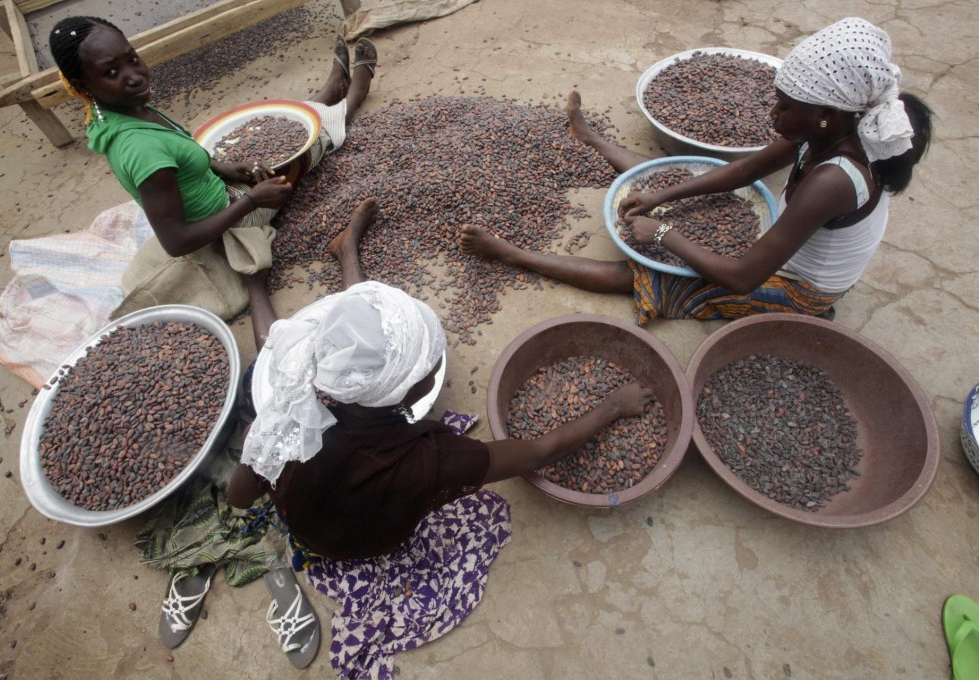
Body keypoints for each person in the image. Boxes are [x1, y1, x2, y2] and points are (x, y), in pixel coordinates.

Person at [226, 197, 654, 559]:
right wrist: (615, 405)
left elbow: (239, 497)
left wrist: (256, 288)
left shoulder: (291, 403)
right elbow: (536, 452)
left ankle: (345, 253)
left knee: (359, 329)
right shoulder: (426, 460)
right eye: (432, 363)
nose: (437, 364)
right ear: (407, 393)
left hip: (304, 526)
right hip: (359, 544)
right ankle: (346, 253)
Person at [458, 17, 933, 325]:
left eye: (784, 107)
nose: (773, 116)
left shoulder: (835, 178)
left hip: (799, 287)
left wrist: (662, 232)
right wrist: (663, 198)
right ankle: (595, 139)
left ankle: (512, 254)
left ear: (826, 113)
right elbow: (745, 169)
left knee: (649, 276)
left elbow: (744, 276)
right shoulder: (829, 130)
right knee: (671, 179)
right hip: (781, 240)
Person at [48, 17, 378, 320]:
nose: (133, 76)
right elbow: (176, 242)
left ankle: (325, 95)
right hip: (226, 221)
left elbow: (179, 155)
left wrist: (225, 167)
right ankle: (348, 103)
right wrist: (253, 201)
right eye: (111, 72)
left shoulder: (119, 108)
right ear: (83, 85)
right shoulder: (139, 147)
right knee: (306, 148)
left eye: (131, 59)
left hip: (217, 187)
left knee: (267, 132)